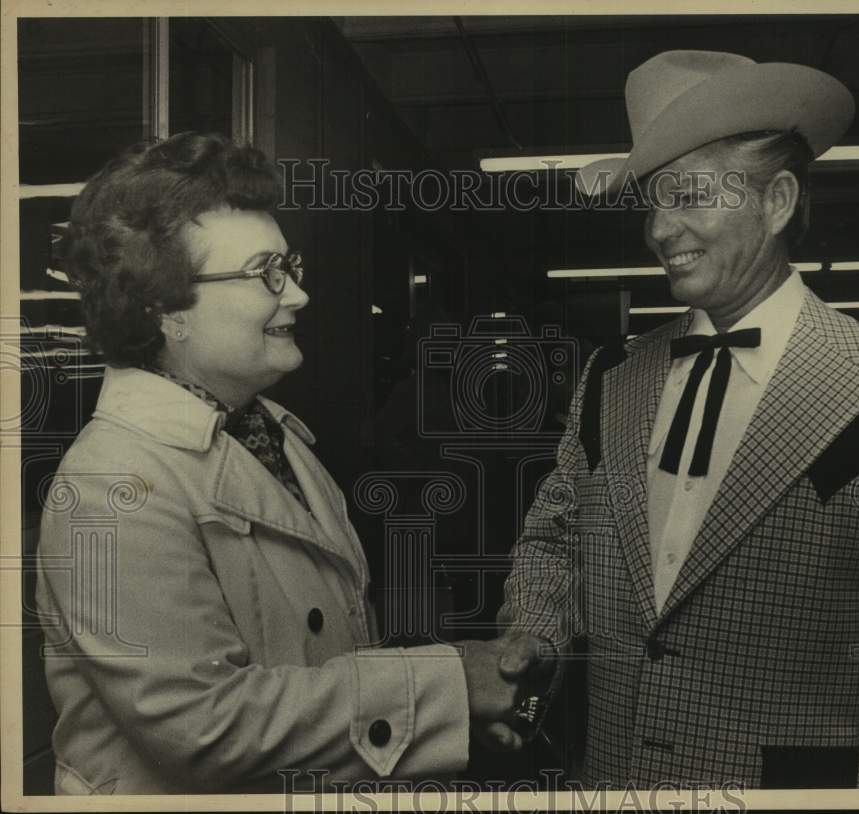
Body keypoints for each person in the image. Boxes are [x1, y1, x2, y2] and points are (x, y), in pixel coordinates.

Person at [496, 51, 859, 788]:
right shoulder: (610, 380)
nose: (660, 229)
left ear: (777, 200)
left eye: (687, 196)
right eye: (651, 202)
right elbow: (553, 541)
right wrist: (536, 630)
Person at [34, 132, 537, 794]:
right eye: (265, 272)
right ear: (163, 309)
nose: (297, 294)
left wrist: (442, 714)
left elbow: (317, 656)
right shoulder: (114, 484)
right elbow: (203, 728)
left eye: (290, 266)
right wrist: (444, 689)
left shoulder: (270, 434)